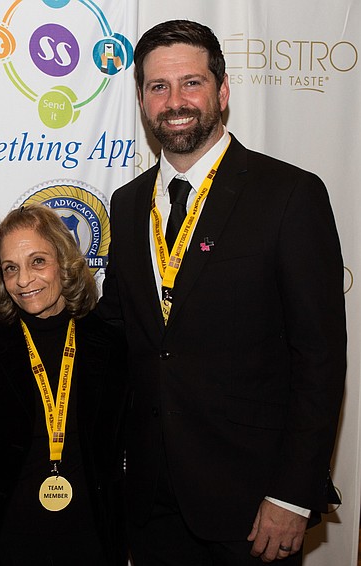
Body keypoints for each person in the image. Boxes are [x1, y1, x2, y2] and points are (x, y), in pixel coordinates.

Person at [97, 19, 346, 565]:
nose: (175, 100)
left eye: (192, 83)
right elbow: (114, 332)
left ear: (223, 90)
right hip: (150, 500)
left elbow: (320, 360)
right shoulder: (129, 202)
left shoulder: (289, 195)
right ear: (142, 100)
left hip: (253, 506)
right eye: (158, 87)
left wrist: (290, 493)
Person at [0, 205, 128, 565]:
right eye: (11, 268)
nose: (24, 280)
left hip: (91, 544)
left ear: (64, 262)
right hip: (4, 544)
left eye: (37, 261)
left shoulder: (111, 345)